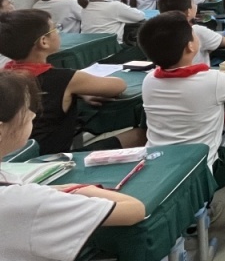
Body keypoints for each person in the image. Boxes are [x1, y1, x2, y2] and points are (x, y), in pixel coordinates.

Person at [0, 71, 146, 261]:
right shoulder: (27, 201)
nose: (32, 114)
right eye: (25, 111)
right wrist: (81, 188)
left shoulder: (14, 183)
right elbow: (133, 210)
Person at [139, 13, 225, 246]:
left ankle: (192, 218)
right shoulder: (211, 81)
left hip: (158, 165)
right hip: (201, 171)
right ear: (191, 45)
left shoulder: (149, 80)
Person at [0, 9, 144, 155]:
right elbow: (118, 86)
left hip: (11, 157)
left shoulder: (4, 78)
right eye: (55, 29)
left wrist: (79, 91)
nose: (59, 33)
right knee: (139, 134)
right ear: (44, 42)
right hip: (51, 161)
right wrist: (78, 88)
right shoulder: (64, 79)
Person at [157, 0, 225, 66]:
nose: (196, 5)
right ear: (188, 12)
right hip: (199, 75)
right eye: (193, 3)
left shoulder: (158, 33)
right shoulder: (195, 30)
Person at [78, 0, 146, 45]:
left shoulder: (86, 5)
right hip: (111, 50)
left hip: (90, 49)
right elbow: (140, 16)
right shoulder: (115, 6)